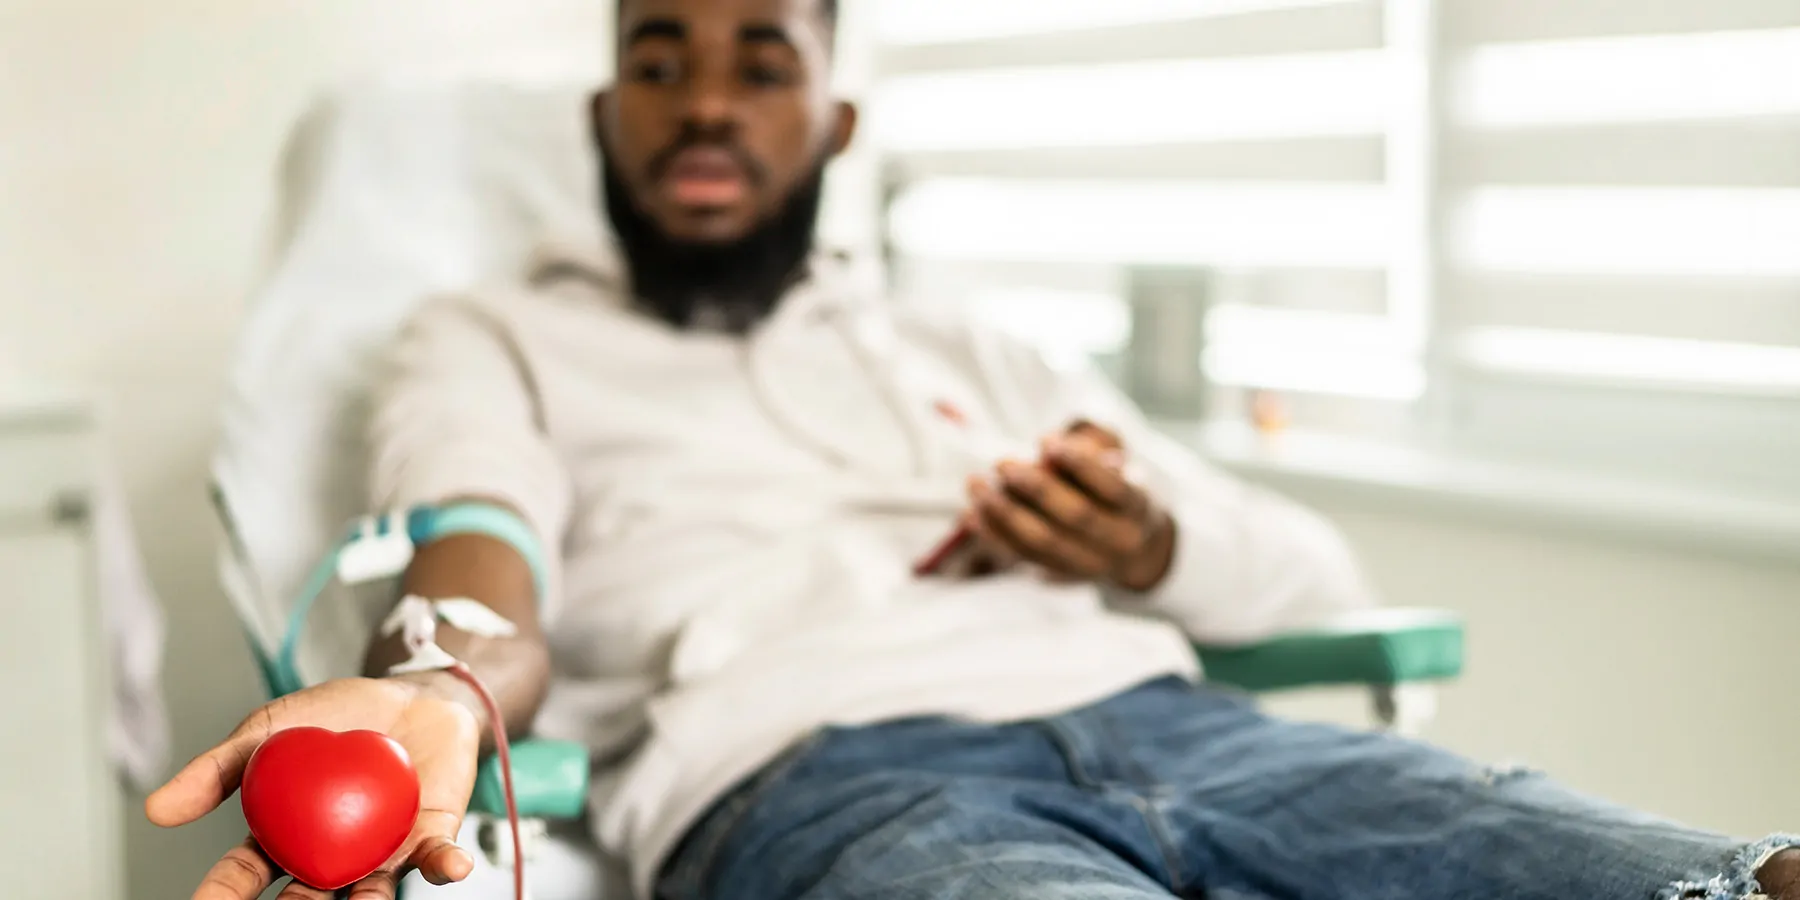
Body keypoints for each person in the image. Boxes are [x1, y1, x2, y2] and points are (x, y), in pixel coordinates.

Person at [149, 1, 1800, 898]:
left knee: (1724, 883)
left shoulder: (964, 343)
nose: (703, 100)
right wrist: (437, 691)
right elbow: (474, 540)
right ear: (603, 118)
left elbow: (1312, 579)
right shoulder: (494, 333)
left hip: (1199, 732)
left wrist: (1139, 547)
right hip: (830, 781)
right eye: (656, 59)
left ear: (833, 123)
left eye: (759, 59)